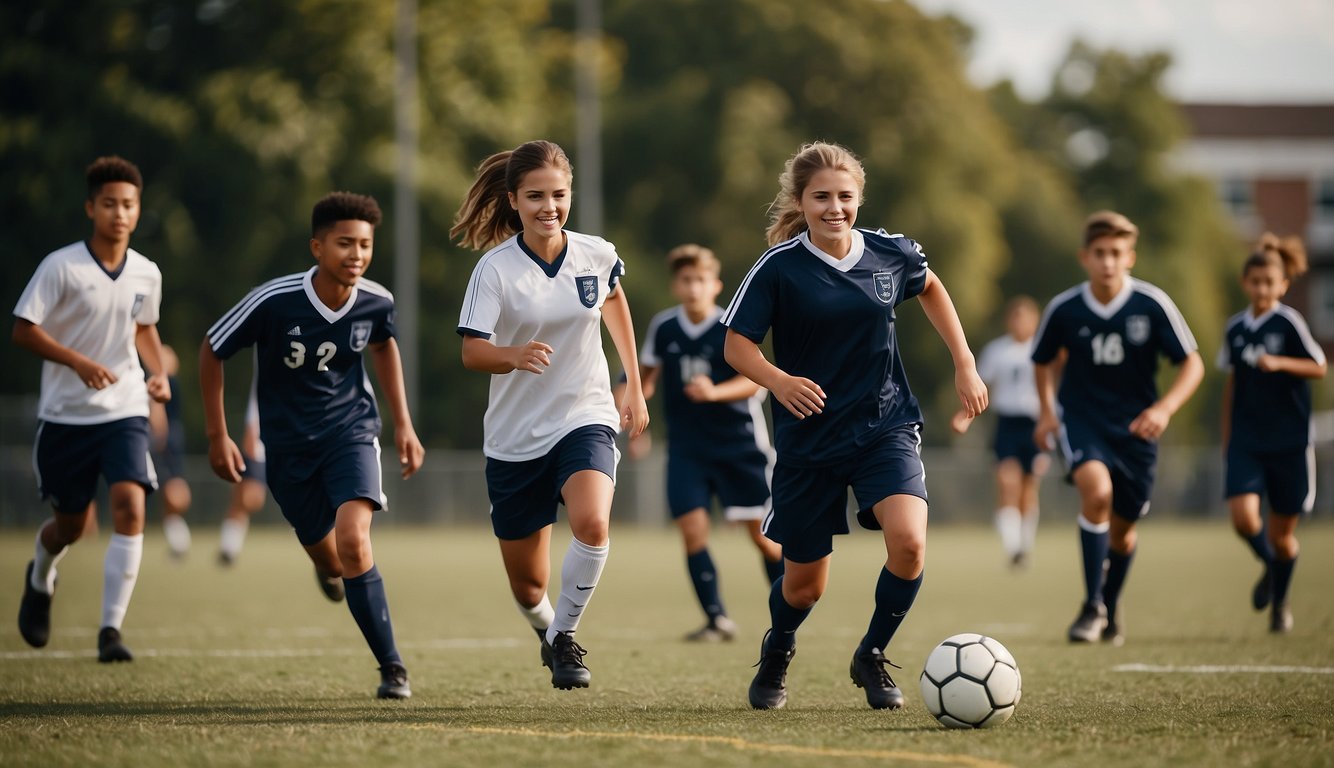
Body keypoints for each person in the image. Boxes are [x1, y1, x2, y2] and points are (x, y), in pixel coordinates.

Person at [724, 141, 988, 711]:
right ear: (801, 200)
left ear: (859, 200)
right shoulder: (778, 267)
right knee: (803, 586)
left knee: (910, 543)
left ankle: (871, 653)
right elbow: (736, 345)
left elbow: (933, 288)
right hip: (809, 440)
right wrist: (778, 379)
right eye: (821, 197)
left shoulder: (892, 255)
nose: (834, 207)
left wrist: (964, 362)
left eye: (845, 197)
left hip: (884, 426)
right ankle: (779, 649)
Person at [200, 191, 425, 699]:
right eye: (345, 243)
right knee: (332, 561)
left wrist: (403, 424)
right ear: (317, 247)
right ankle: (329, 572)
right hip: (287, 449)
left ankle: (392, 667)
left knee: (354, 541)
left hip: (351, 434)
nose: (357, 254)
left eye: (365, 244)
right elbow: (212, 350)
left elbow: (384, 345)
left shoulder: (377, 300)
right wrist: (218, 435)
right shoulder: (274, 301)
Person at [453, 139, 650, 690]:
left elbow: (612, 300)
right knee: (527, 586)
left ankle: (565, 640)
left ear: (571, 195)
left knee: (592, 522)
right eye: (535, 196)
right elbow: (472, 351)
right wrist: (511, 355)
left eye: (558, 195)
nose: (549, 206)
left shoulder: (596, 253)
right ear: (513, 200)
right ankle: (547, 627)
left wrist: (632, 384)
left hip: (584, 414)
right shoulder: (494, 270)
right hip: (515, 440)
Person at [13, 155, 170, 663]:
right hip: (65, 415)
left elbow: (143, 327)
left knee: (130, 504)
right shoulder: (62, 266)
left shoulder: (147, 272)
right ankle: (40, 573)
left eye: (128, 205)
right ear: (90, 208)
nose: (119, 214)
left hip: (123, 407)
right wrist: (76, 361)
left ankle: (110, 631)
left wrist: (157, 372)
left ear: (138, 210)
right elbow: (23, 330)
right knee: (70, 527)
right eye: (109, 204)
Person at [1032, 211, 1203, 646]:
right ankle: (1091, 607)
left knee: (1124, 534)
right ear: (1085, 257)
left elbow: (1192, 363)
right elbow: (1043, 362)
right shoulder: (1065, 309)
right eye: (1099, 253)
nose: (1107, 262)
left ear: (1130, 258)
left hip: (1138, 430)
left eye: (1116, 254)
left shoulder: (1152, 303)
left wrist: (1164, 409)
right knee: (1097, 494)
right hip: (1083, 420)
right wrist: (1049, 411)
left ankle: (1109, 604)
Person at [636, 244, 783, 643]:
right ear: (675, 285)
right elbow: (642, 377)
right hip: (688, 450)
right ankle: (717, 619)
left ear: (716, 285)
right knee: (693, 530)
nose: (693, 287)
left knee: (765, 539)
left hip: (741, 448)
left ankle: (787, 616)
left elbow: (757, 379)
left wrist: (715, 392)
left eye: (700, 280)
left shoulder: (731, 326)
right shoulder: (664, 327)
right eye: (686, 280)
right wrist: (632, 412)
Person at [1219, 233, 1326, 633]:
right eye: (1256, 281)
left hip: (1289, 443)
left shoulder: (1289, 323)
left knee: (1284, 538)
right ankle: (1268, 563)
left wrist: (1280, 362)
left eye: (1271, 282)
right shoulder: (1234, 330)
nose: (1262, 289)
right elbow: (1232, 385)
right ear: (1246, 283)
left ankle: (1280, 603)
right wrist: (1228, 439)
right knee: (1244, 519)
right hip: (1248, 441)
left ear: (1283, 285)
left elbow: (1319, 367)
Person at [951, 296, 1049, 567]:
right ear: (1009, 321)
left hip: (1034, 425)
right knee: (1007, 482)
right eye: (1016, 316)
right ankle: (1013, 548)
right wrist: (965, 416)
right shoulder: (997, 351)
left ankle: (1024, 547)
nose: (1021, 322)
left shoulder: (1043, 350)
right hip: (1007, 424)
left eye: (1026, 317)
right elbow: (980, 387)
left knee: (1029, 489)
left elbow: (1052, 391)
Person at [217, 374, 268, 567]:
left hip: (290, 440)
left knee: (246, 498)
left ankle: (228, 546)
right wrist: (251, 432)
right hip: (261, 443)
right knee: (249, 497)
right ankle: (228, 547)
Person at [149, 343, 193, 559]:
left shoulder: (162, 381)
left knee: (172, 489)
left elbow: (158, 411)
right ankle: (178, 542)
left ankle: (180, 541)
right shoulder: (170, 381)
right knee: (167, 491)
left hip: (167, 439)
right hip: (172, 436)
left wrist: (159, 437)